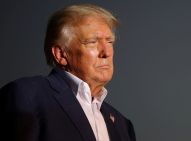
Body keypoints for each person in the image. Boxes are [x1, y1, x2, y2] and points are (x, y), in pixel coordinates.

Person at [0, 3, 136, 141]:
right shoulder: (26, 96)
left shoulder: (122, 125)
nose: (106, 52)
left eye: (110, 41)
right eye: (92, 42)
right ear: (61, 54)